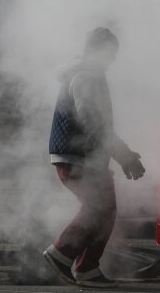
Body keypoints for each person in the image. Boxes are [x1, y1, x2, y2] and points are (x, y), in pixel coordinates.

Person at [43, 27, 146, 288]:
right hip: (78, 156)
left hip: (79, 156)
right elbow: (95, 125)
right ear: (98, 50)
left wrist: (123, 156)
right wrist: (124, 156)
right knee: (97, 208)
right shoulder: (87, 77)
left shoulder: (86, 74)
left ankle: (87, 268)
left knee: (104, 210)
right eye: (111, 53)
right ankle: (62, 253)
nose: (113, 60)